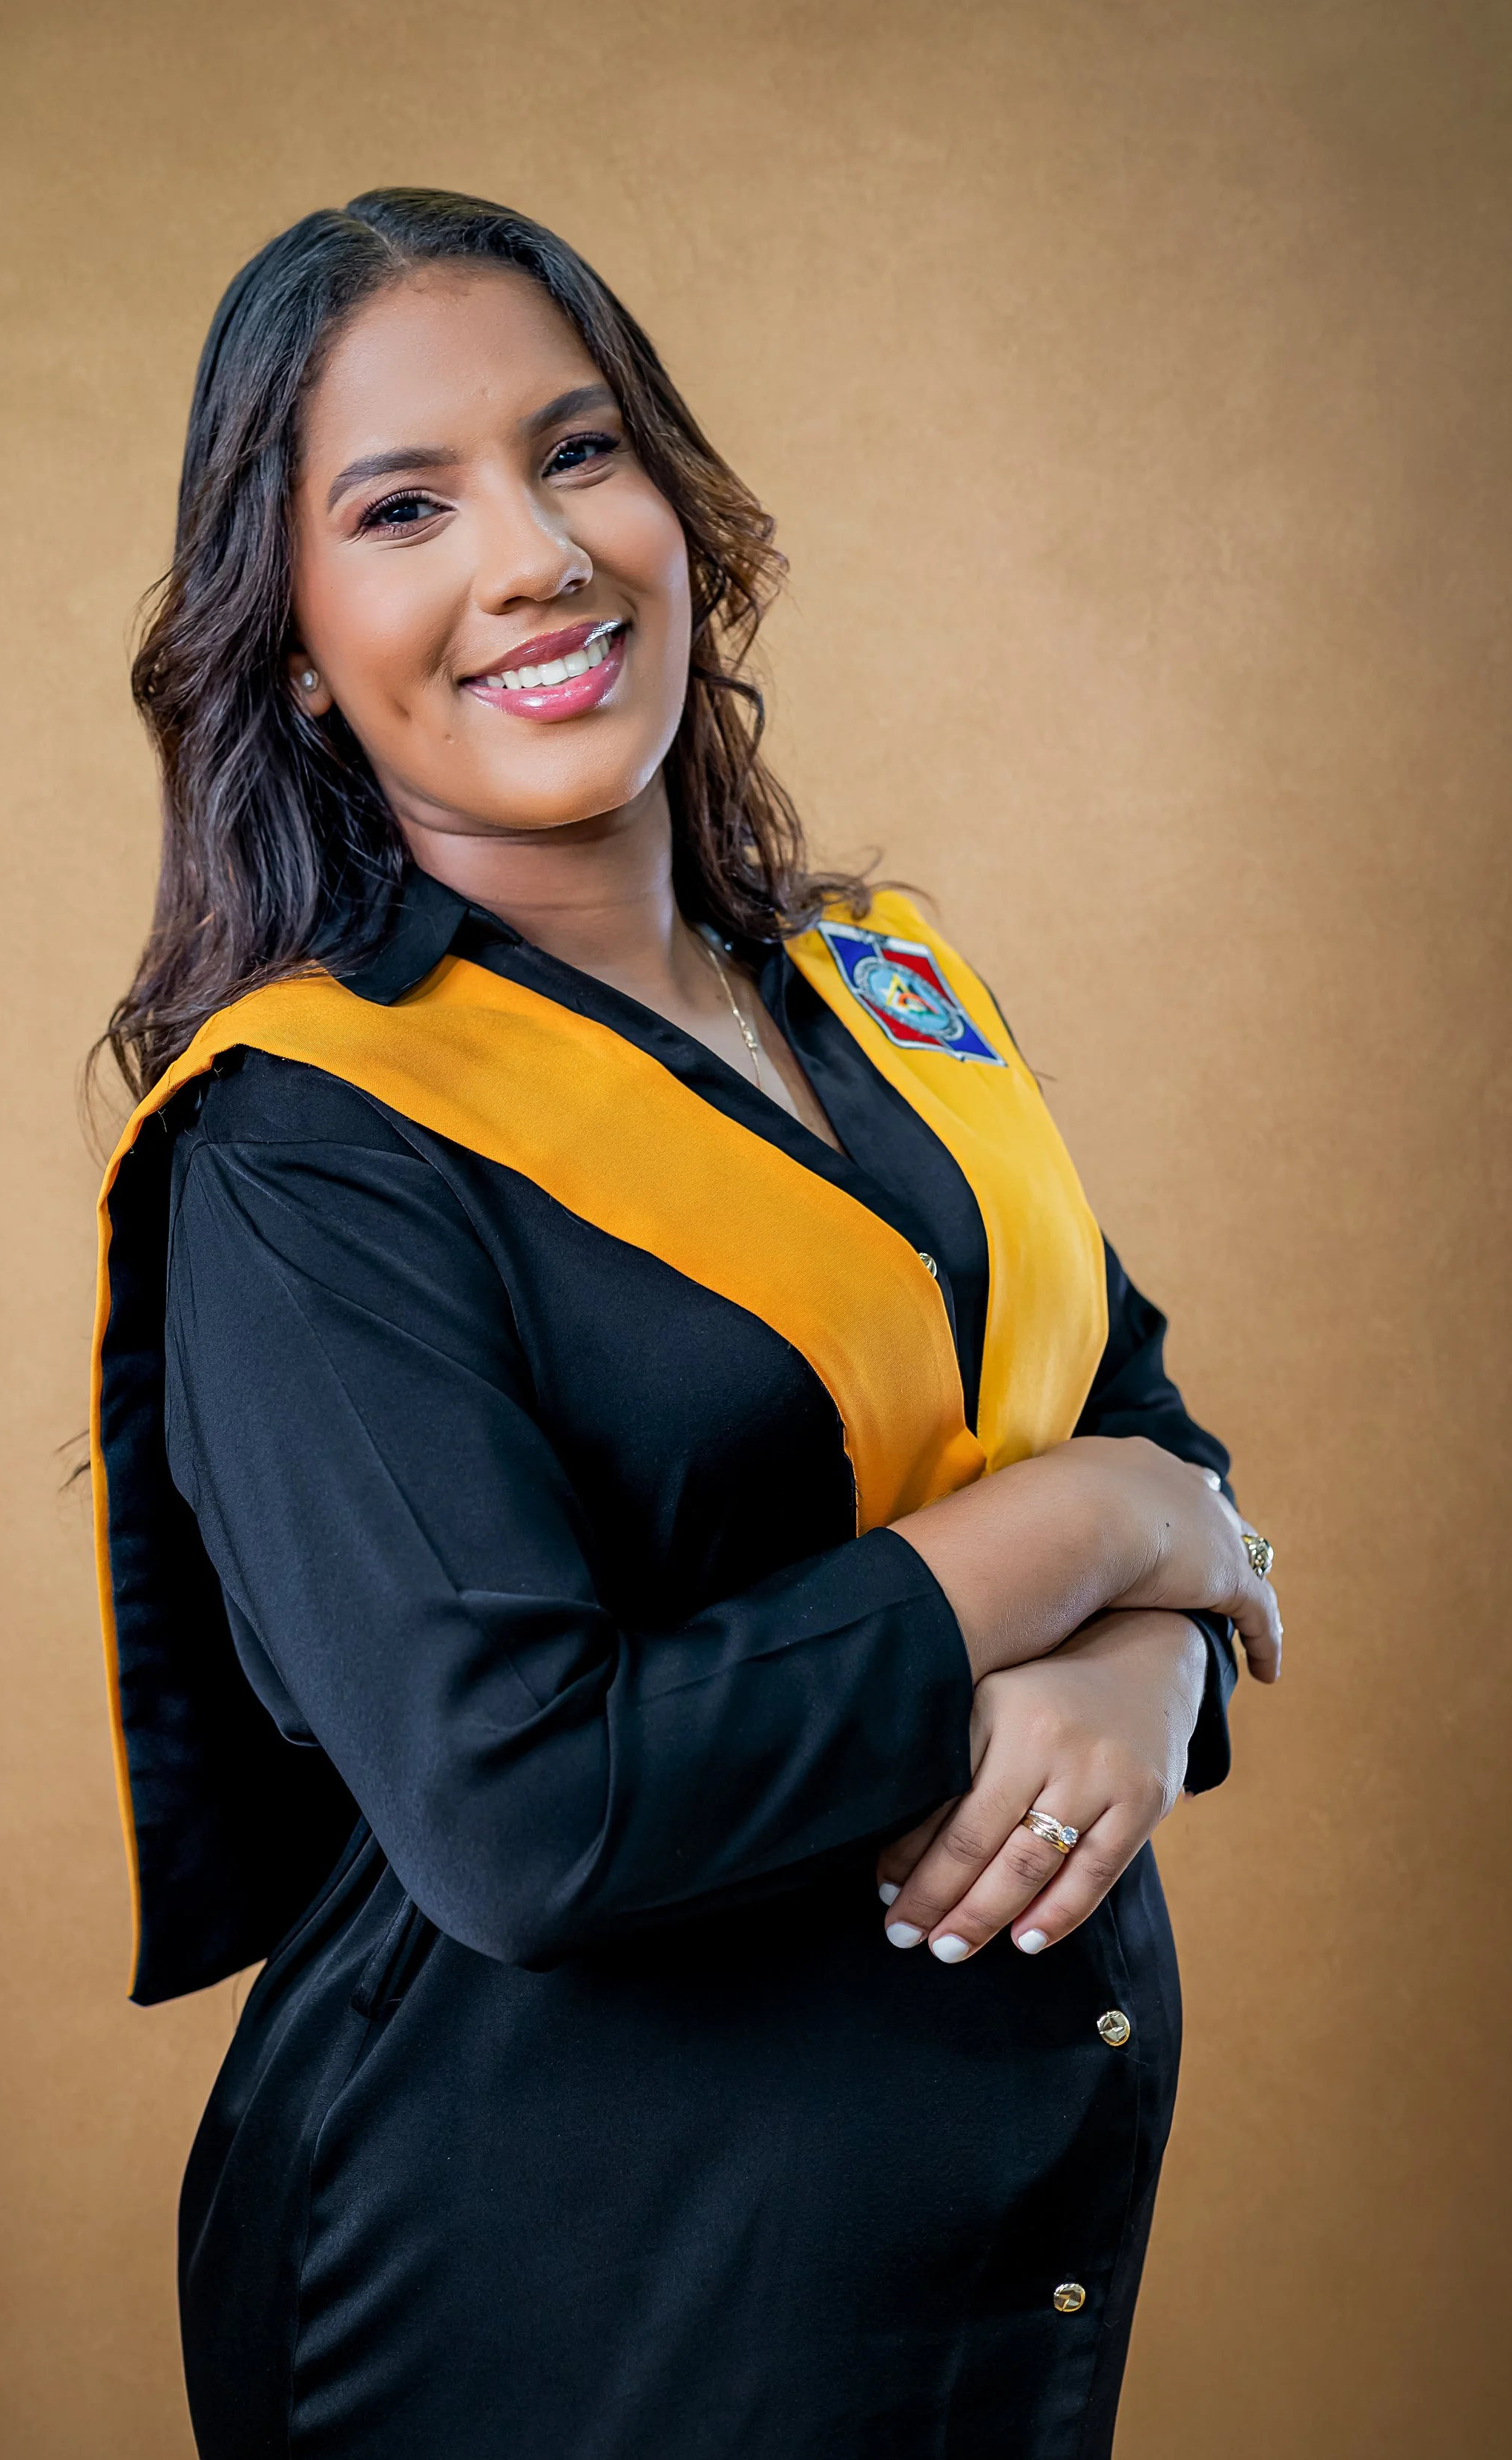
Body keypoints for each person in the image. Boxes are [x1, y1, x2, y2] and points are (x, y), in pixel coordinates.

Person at [91, 188, 1282, 2460]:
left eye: (580, 451)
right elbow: (532, 1808)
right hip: (563, 2272)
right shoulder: (310, 1145)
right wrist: (1112, 1525)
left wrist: (1150, 1649)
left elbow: (1139, 1434)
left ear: (680, 509)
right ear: (293, 644)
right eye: (404, 507)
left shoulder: (880, 993)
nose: (532, 554)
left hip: (950, 2254)